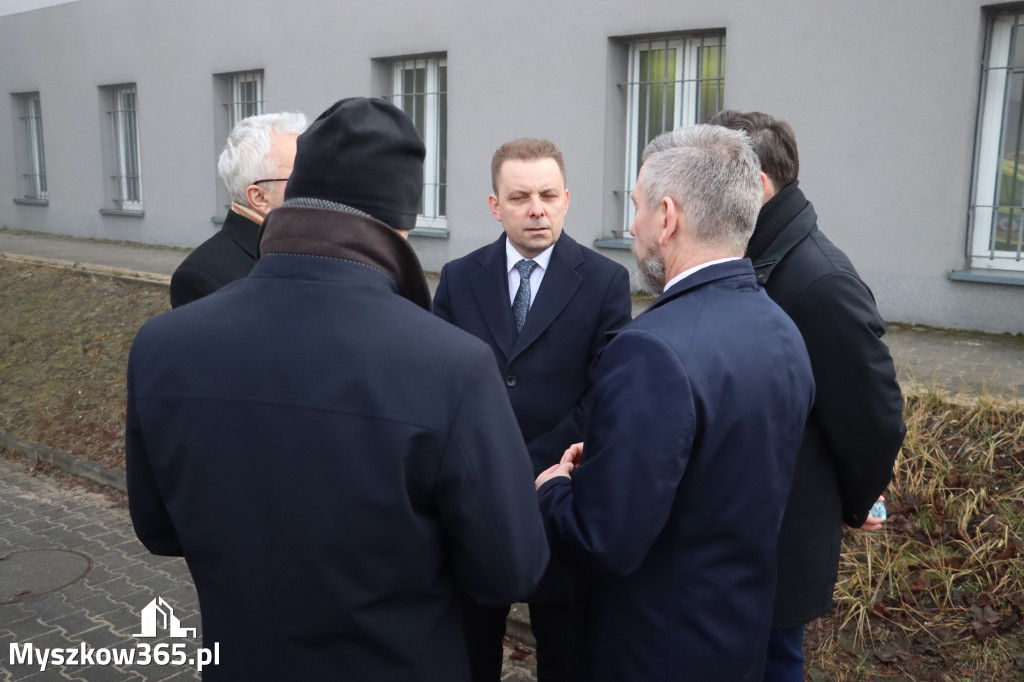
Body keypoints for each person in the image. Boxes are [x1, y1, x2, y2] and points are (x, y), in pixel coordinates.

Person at [127, 98, 550, 681]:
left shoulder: (162, 345)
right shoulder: (451, 364)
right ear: (401, 222)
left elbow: (158, 528)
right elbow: (512, 570)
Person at [535, 124, 815, 682]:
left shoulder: (651, 349)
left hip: (652, 650)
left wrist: (555, 489)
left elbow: (604, 540)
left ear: (667, 217)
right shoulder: (783, 330)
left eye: (637, 208)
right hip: (736, 642)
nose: (631, 225)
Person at [708, 109, 906, 681]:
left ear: (758, 186)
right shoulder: (762, 256)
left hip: (780, 538)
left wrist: (852, 500)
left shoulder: (819, 281)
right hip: (749, 531)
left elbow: (875, 416)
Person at [432, 137, 632, 681]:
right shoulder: (457, 279)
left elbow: (606, 393)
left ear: (567, 199)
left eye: (547, 194)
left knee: (566, 654)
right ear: (496, 206)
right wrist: (484, 466)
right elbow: (438, 385)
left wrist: (531, 467)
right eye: (520, 197)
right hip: (473, 504)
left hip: (559, 497)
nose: (536, 208)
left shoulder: (605, 282)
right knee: (469, 653)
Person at [169, 111, 309, 308]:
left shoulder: (320, 244)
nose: (321, 182)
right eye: (305, 174)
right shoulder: (201, 277)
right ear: (260, 197)